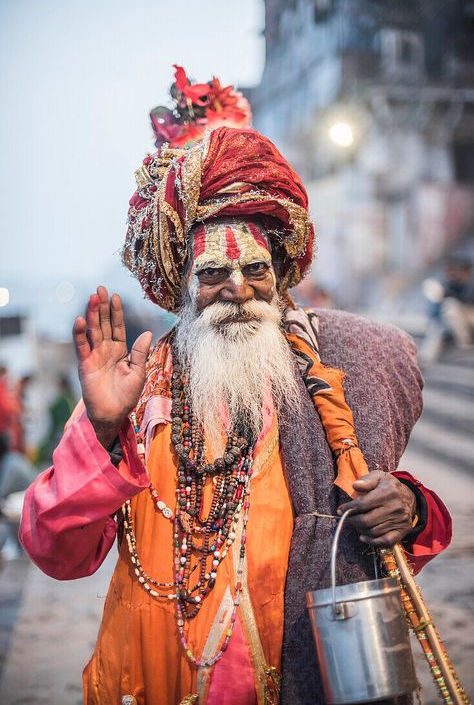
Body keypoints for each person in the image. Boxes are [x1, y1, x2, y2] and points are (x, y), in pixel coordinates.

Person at [20, 67, 451, 705]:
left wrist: (409, 509)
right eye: (214, 272)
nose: (238, 288)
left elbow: (395, 519)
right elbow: (57, 552)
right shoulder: (137, 389)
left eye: (254, 269)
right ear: (185, 285)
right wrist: (104, 431)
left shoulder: (326, 371)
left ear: (280, 276)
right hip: (154, 681)